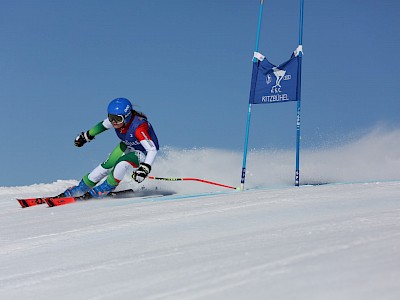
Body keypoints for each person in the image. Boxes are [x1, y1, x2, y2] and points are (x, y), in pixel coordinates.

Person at [59, 97, 159, 198]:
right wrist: (86, 136)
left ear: (127, 116)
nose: (113, 121)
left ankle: (103, 189)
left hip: (143, 153)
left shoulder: (138, 127)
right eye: (111, 117)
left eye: (118, 119)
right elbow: (102, 126)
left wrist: (144, 168)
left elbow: (152, 149)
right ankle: (80, 188)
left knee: (121, 164)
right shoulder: (115, 120)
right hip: (128, 145)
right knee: (108, 165)